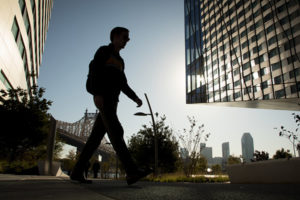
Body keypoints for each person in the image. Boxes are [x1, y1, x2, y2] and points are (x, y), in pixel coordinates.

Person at [70, 27, 152, 185]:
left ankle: (77, 171)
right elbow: (94, 71)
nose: (127, 41)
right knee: (116, 130)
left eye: (128, 38)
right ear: (115, 37)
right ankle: (132, 171)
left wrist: (135, 98)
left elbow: (123, 83)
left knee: (94, 140)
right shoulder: (103, 51)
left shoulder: (121, 61)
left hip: (114, 102)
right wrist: (96, 93)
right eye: (125, 37)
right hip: (104, 99)